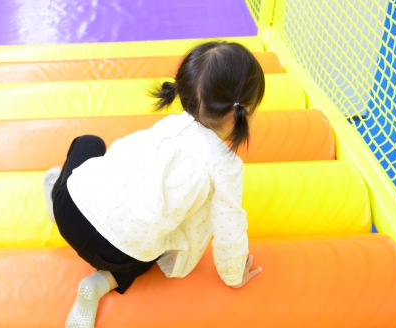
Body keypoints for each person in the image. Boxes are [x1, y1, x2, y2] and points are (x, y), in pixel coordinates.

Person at [42, 41, 266, 328]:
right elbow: (229, 229)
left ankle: (54, 196)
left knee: (89, 142)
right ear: (242, 112)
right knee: (155, 246)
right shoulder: (226, 166)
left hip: (70, 212)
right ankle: (99, 283)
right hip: (118, 254)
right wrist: (234, 275)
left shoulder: (172, 125)